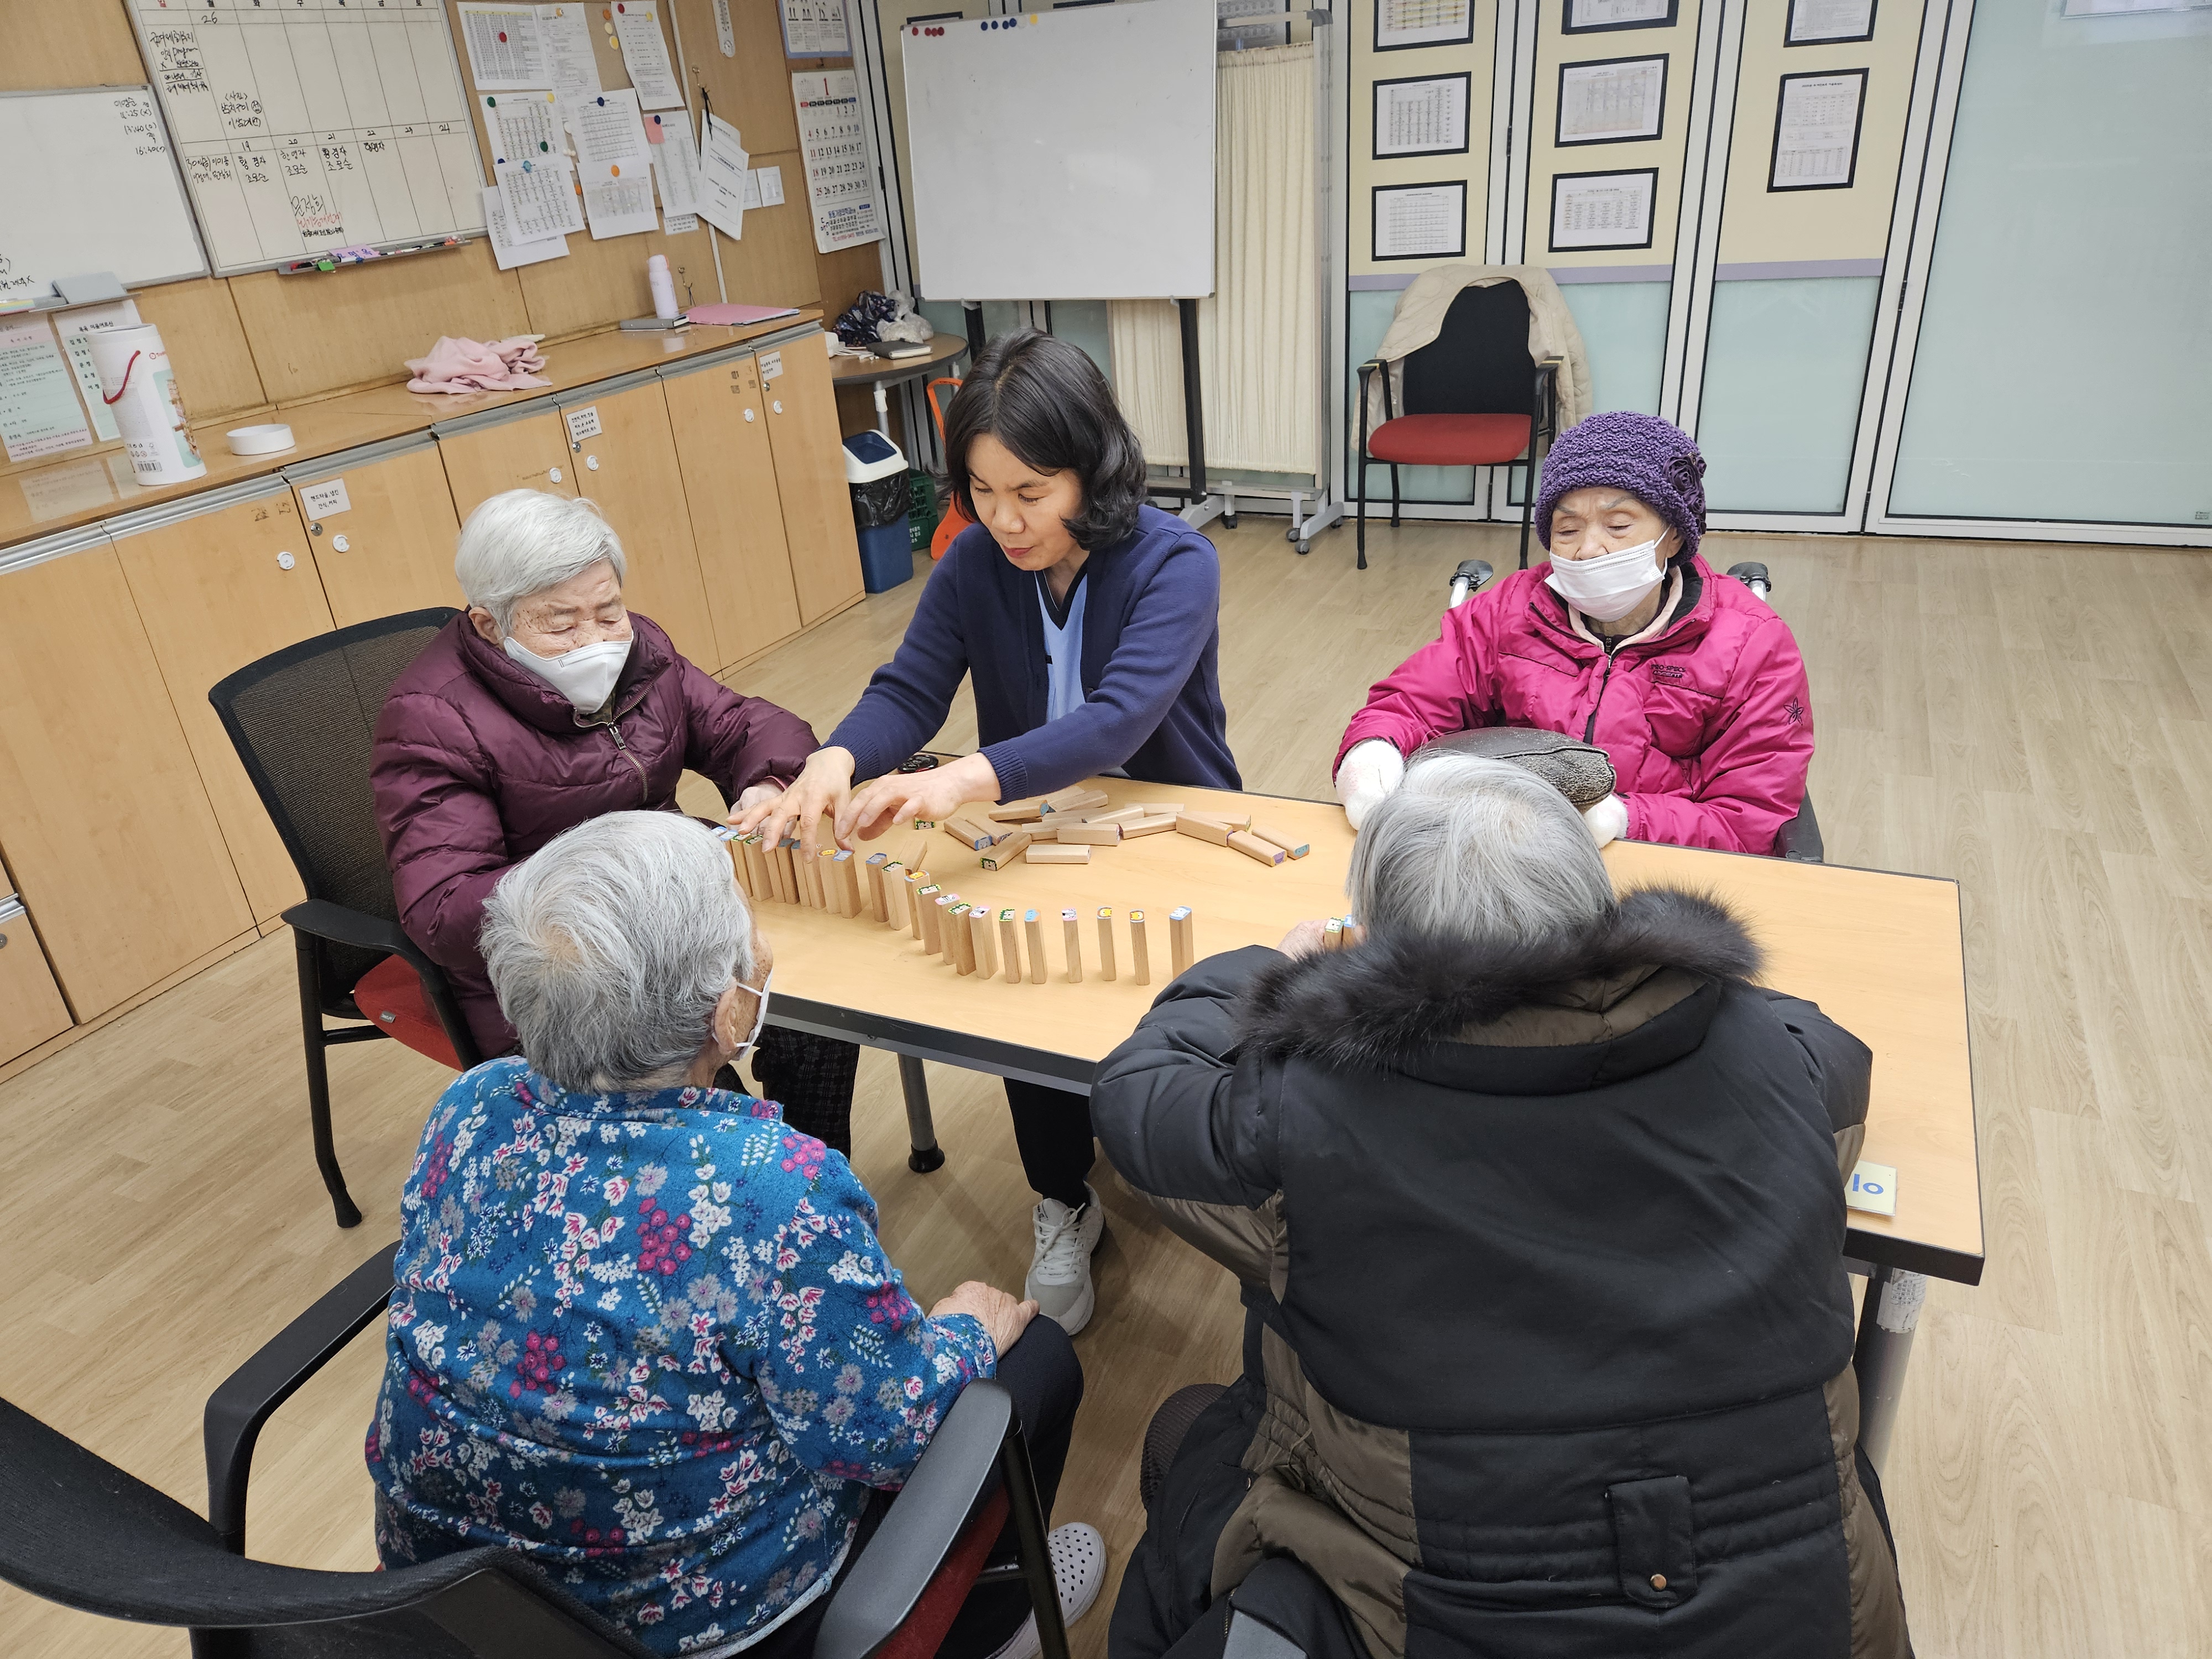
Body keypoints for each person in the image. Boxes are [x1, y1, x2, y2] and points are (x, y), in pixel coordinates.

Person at [1092, 754, 1910, 1659]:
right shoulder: (1772, 1057)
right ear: (1598, 908)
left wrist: (1270, 970)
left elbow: (1139, 1096)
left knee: (1192, 1436)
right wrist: (1672, 978)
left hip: (1434, 1615)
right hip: (1805, 1607)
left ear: (1379, 947)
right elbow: (1836, 1054)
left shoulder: (1307, 1110)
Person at [366, 812, 1104, 1659]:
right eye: (743, 922)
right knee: (1039, 1361)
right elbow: (890, 1438)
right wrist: (971, 1328)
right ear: (726, 1017)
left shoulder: (471, 1103)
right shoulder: (771, 1188)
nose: (762, 946)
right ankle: (990, 1625)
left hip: (452, 1609)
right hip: (691, 1630)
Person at [734, 330, 1238, 1336]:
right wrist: (835, 759)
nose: (1005, 519)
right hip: (1028, 825)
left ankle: (1186, 1153)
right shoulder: (975, 561)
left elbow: (1119, 723)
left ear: (1092, 470)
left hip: (1172, 822)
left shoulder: (1176, 562)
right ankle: (1064, 1195)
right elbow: (910, 688)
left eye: (1031, 493)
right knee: (1022, 998)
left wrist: (963, 777)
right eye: (982, 490)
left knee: (1178, 1007)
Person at [372, 489, 863, 1155]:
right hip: (567, 976)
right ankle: (755, 1178)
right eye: (561, 623)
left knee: (822, 1012)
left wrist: (766, 783)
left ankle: (809, 1174)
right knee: (702, 1130)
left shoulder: (640, 654)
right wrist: (622, 872)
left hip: (675, 916)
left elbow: (745, 724)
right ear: (490, 626)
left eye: (608, 611)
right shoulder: (432, 718)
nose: (597, 641)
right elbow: (442, 911)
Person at [1334, 411, 1813, 855]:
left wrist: (1622, 819)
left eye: (1618, 525)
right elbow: (1412, 703)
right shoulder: (1509, 610)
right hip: (1509, 851)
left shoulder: (1751, 645)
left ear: (1674, 534)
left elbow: (1749, 817)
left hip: (1659, 866)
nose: (1588, 549)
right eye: (1567, 530)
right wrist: (1372, 753)